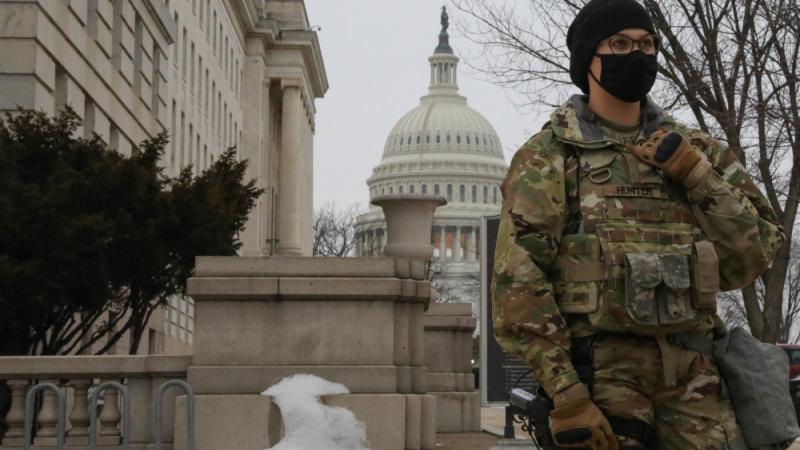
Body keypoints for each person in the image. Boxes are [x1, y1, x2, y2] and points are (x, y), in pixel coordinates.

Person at [491, 1, 787, 449]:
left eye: (648, 44)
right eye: (620, 44)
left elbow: (753, 256)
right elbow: (519, 287)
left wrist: (697, 175)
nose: (638, 54)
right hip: (603, 383)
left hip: (697, 381)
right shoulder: (551, 156)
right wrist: (567, 393)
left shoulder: (696, 150)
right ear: (588, 59)